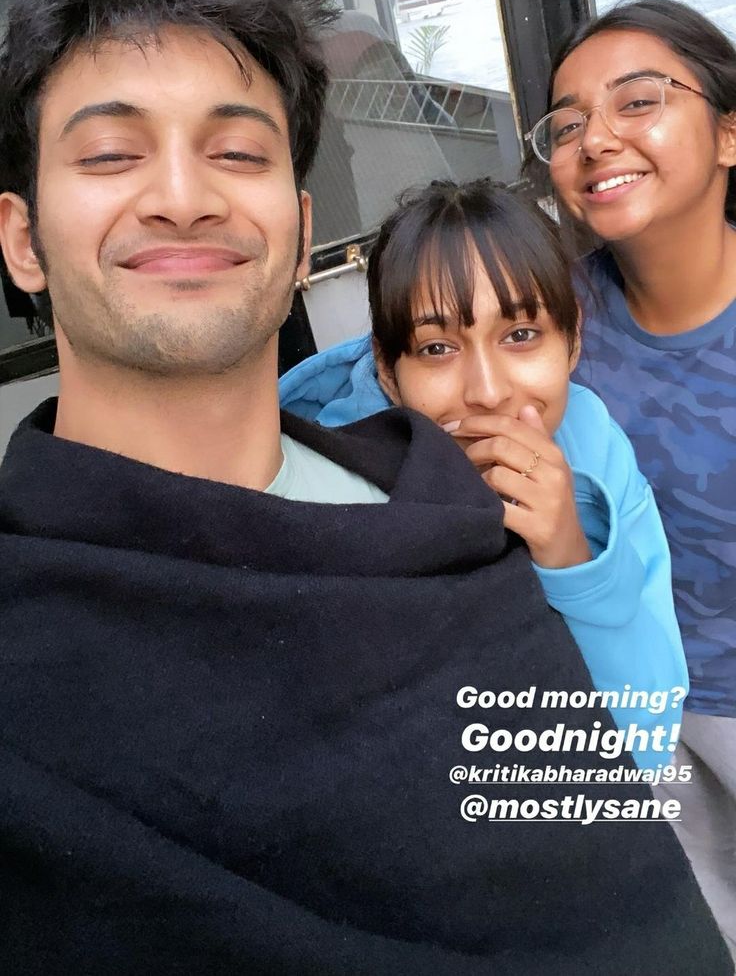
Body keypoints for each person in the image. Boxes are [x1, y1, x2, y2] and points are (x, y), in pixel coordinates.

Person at [0, 0, 730, 970]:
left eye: (238, 151)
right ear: (22, 237)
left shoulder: (443, 516)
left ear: (302, 234)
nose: (181, 194)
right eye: (112, 152)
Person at [279, 178, 687, 771]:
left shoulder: (589, 441)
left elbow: (645, 739)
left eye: (521, 336)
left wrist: (573, 558)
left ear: (572, 343)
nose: (489, 392)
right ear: (388, 370)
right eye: (437, 349)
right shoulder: (328, 487)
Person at [525, 0, 736, 957]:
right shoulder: (550, 325)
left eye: (638, 102)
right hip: (630, 712)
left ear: (728, 134)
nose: (596, 140)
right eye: (566, 125)